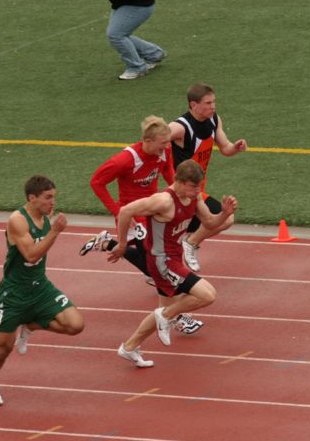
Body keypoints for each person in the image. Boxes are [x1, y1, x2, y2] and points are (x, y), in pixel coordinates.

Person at [80, 116, 204, 335]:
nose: (168, 147)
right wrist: (117, 210)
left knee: (161, 264)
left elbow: (169, 172)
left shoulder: (162, 153)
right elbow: (96, 182)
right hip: (133, 215)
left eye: (168, 142)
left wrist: (176, 194)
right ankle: (177, 316)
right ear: (147, 141)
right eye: (163, 143)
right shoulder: (125, 160)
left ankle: (108, 243)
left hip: (153, 210)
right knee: (159, 267)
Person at [108, 160, 237, 367]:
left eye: (199, 186)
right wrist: (122, 244)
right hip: (162, 261)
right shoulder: (163, 201)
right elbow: (125, 211)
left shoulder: (193, 198)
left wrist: (225, 213)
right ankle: (166, 316)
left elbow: (210, 223)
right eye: (194, 187)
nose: (198, 191)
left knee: (164, 308)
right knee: (208, 295)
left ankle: (130, 347)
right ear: (180, 182)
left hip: (175, 257)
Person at [0, 175, 85, 406]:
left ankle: (29, 325)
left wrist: (52, 229)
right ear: (32, 198)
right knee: (3, 349)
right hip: (15, 292)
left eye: (54, 197)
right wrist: (55, 232)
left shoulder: (46, 217)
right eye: (47, 198)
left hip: (40, 286)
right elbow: (31, 254)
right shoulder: (17, 220)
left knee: (76, 325)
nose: (53, 203)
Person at [170, 82, 248, 272]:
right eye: (207, 103)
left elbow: (225, 148)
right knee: (226, 219)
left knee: (175, 232)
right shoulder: (181, 127)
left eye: (214, 102)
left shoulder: (214, 120)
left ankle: (162, 266)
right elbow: (157, 136)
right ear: (193, 105)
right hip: (184, 190)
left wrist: (235, 147)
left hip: (198, 188)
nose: (212, 106)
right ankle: (190, 243)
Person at [88, 0, 166, 80]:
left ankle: (136, 67)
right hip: (121, 3)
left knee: (115, 34)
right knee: (119, 35)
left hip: (140, 4)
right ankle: (154, 54)